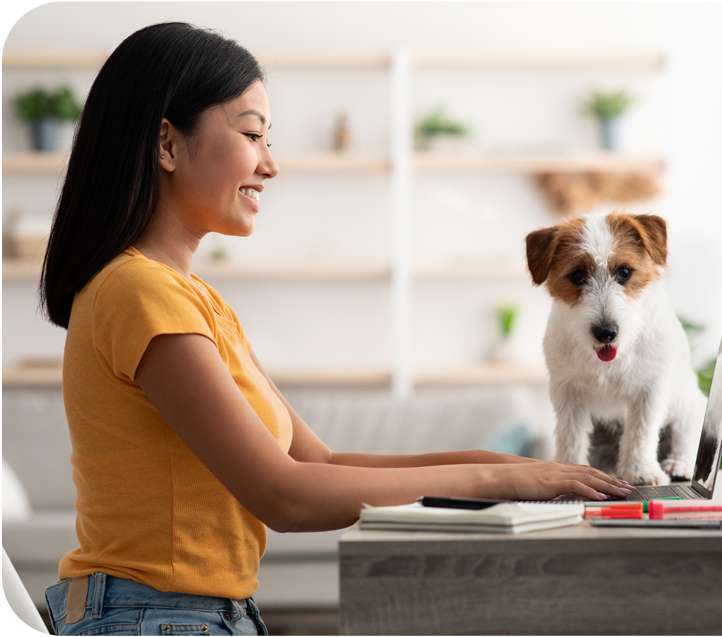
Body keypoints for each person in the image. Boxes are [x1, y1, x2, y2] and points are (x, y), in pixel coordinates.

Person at [38, 22, 633, 637]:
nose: (270, 164)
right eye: (251, 134)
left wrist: (509, 467)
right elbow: (286, 496)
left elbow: (319, 459)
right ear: (166, 143)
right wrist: (499, 480)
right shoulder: (140, 293)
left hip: (187, 616)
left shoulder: (189, 298)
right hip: (156, 619)